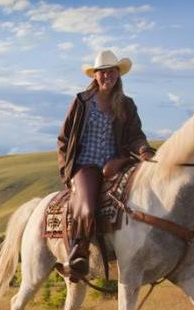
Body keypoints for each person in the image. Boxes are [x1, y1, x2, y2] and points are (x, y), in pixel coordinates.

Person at [57, 49, 155, 279]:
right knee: (88, 208)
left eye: (111, 72)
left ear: (118, 74)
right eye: (102, 72)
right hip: (85, 166)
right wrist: (66, 172)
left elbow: (135, 135)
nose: (107, 76)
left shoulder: (126, 104)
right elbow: (64, 138)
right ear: (95, 75)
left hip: (115, 164)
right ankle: (78, 253)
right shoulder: (82, 102)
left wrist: (144, 150)